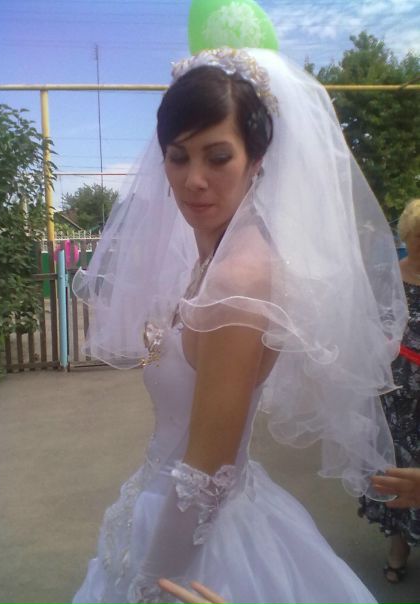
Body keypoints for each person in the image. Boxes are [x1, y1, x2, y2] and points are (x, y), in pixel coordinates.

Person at [72, 48, 407, 604]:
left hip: (194, 538)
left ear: (257, 161)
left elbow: (205, 475)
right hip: (170, 504)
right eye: (178, 157)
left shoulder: (238, 281)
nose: (194, 180)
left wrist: (151, 586)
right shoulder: (212, 258)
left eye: (218, 157)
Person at [358, 198, 420, 584]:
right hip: (395, 392)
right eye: (418, 235)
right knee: (396, 467)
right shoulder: (388, 276)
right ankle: (398, 547)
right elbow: (368, 321)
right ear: (407, 235)